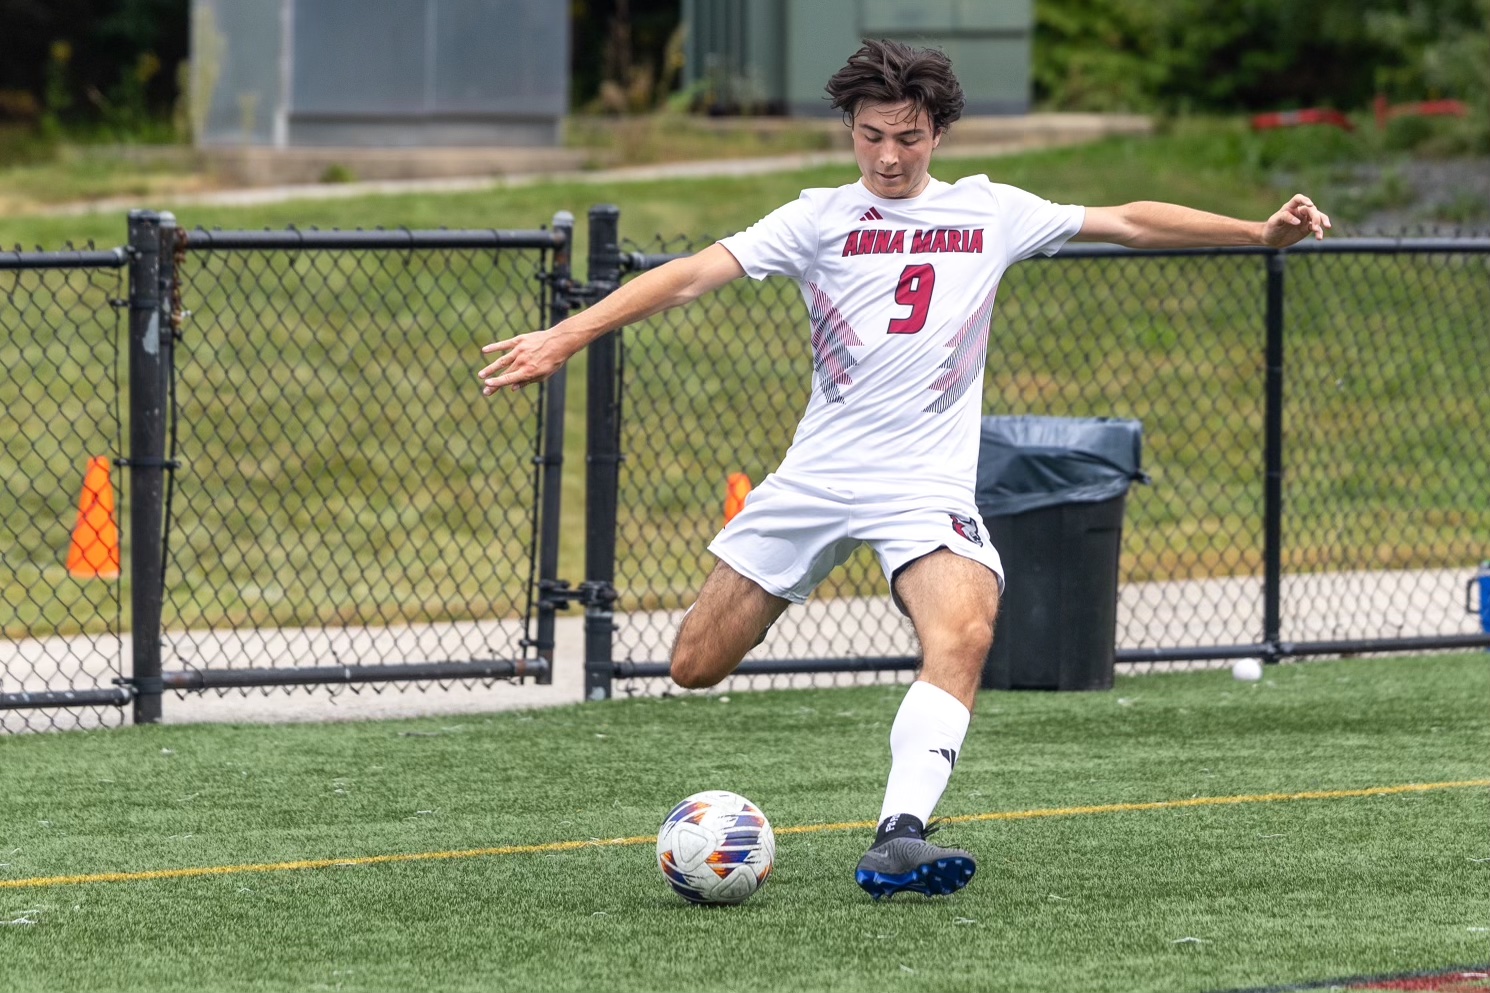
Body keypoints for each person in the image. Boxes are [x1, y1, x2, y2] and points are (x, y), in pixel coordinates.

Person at [478, 39, 1330, 900]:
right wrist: (566, 334)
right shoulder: (817, 217)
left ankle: (899, 836)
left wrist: (1260, 233)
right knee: (695, 665)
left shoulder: (990, 211)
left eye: (909, 138)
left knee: (965, 627)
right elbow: (694, 276)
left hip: (924, 487)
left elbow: (1129, 219)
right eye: (872, 135)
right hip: (817, 477)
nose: (889, 156)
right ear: (849, 128)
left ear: (939, 134)